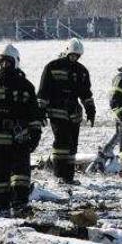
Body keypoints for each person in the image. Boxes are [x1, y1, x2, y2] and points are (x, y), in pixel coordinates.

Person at [0, 44, 43, 216]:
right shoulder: (24, 85)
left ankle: (7, 207)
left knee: (6, 177)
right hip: (16, 141)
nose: (5, 65)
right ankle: (14, 206)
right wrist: (34, 135)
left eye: (7, 61)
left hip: (6, 141)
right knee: (5, 178)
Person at [37, 37, 95, 184]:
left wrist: (90, 109)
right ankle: (59, 175)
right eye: (73, 55)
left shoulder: (82, 71)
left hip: (74, 113)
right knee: (61, 143)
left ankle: (68, 177)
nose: (75, 58)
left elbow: (86, 93)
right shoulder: (52, 66)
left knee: (72, 145)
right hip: (56, 110)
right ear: (67, 52)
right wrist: (40, 110)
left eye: (77, 56)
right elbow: (44, 91)